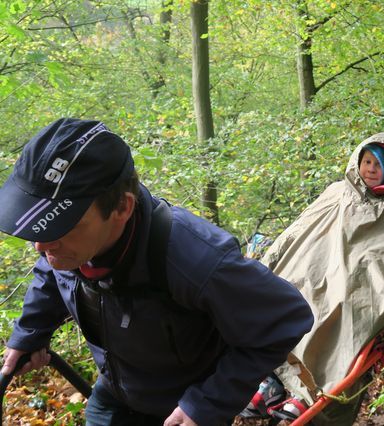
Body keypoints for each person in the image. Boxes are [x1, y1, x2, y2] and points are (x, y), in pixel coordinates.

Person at [0, 118, 314, 426]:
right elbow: (51, 274)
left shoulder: (196, 260)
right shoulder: (68, 247)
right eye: (37, 229)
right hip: (114, 391)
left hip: (181, 408)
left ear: (121, 208)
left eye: (60, 226)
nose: (40, 246)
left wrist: (206, 404)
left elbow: (285, 319)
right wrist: (30, 333)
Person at [243, 133, 384, 425]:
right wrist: (263, 269)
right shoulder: (337, 192)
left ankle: (309, 397)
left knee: (347, 320)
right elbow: (296, 235)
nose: (371, 169)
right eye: (367, 161)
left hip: (364, 292)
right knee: (288, 300)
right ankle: (273, 385)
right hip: (313, 276)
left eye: (380, 164)